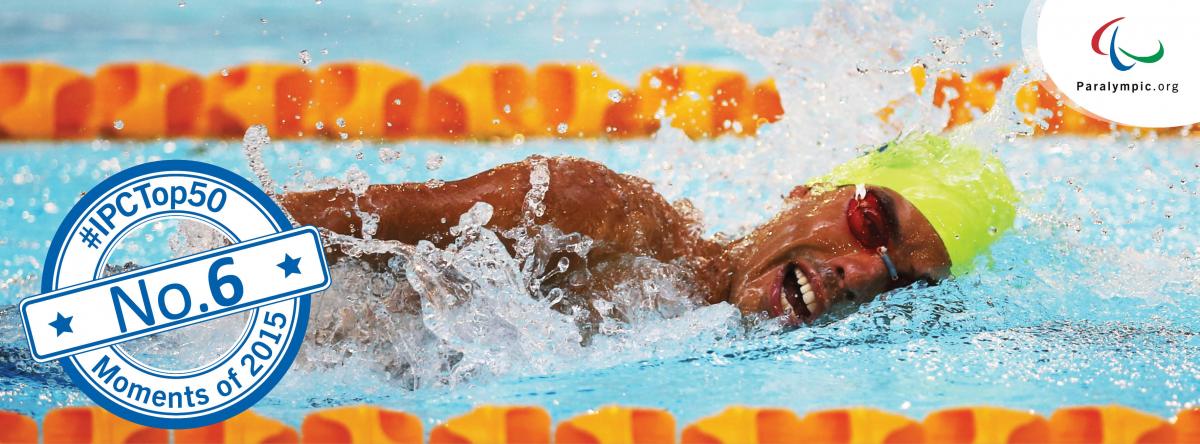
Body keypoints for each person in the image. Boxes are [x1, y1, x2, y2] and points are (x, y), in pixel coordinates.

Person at [281, 133, 1017, 326]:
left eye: (899, 281)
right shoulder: (589, 213)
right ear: (812, 191)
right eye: (866, 222)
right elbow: (272, 231)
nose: (859, 274)